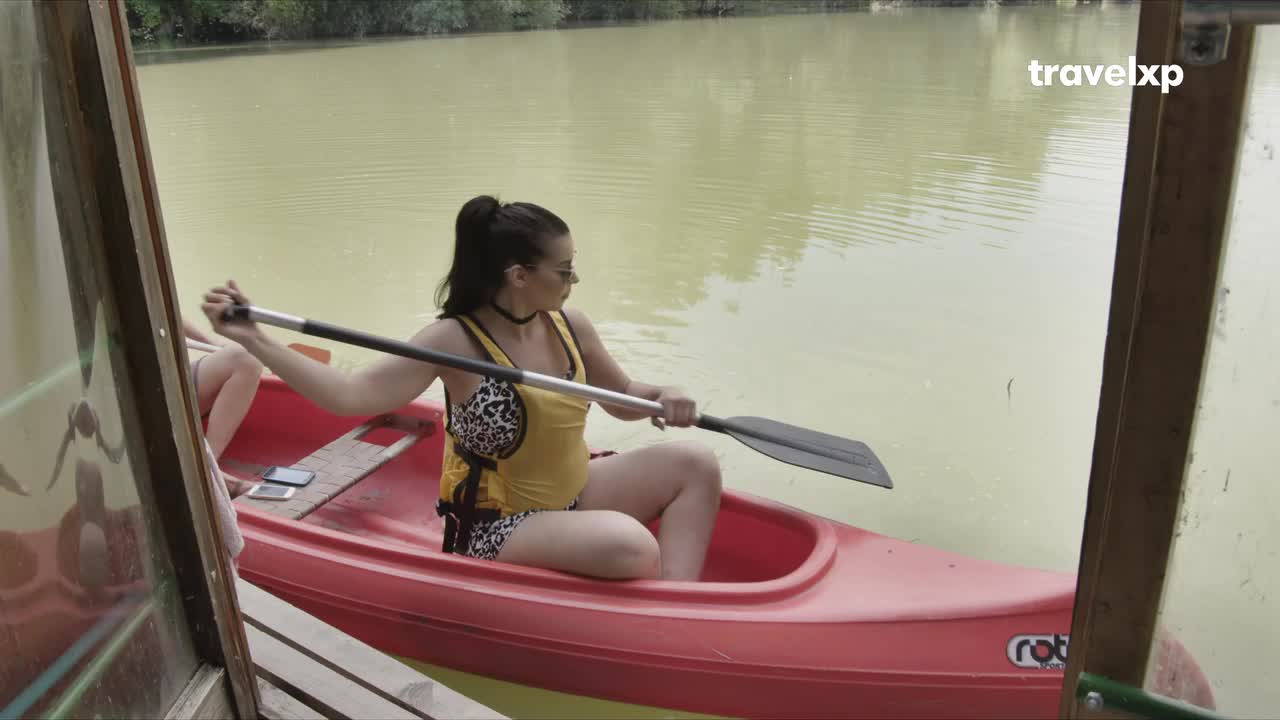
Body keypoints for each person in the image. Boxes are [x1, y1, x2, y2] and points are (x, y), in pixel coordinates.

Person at [200, 195, 722, 581]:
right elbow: (349, 396)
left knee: (695, 463)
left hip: (572, 490)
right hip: (497, 525)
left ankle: (679, 609)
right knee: (634, 546)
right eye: (564, 271)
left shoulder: (569, 325)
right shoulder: (454, 341)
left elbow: (623, 396)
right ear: (519, 276)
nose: (573, 281)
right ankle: (653, 602)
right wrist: (255, 340)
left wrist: (662, 395)